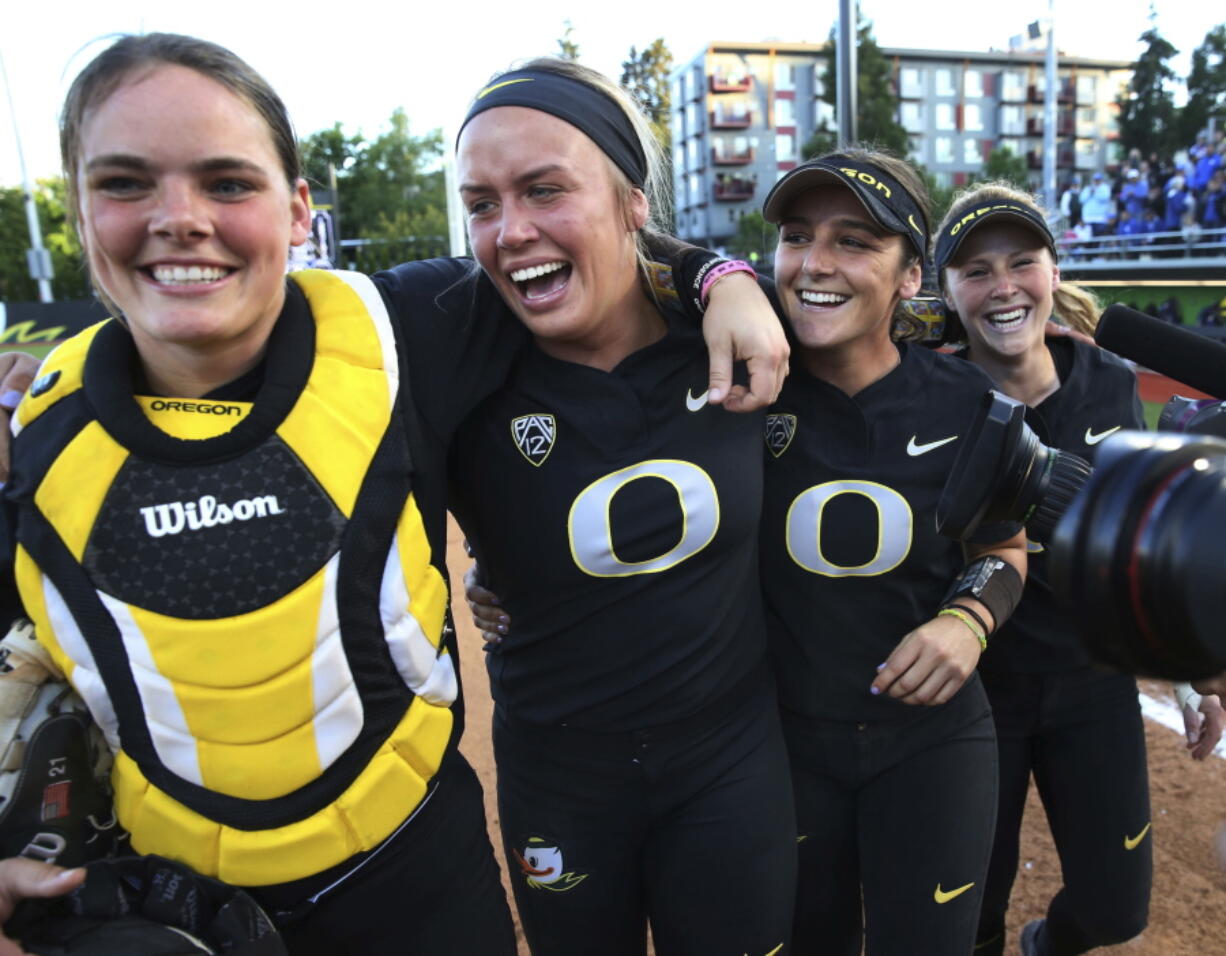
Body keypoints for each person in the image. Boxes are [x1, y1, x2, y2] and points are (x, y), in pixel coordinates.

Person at [1, 33, 786, 956]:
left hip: (434, 868)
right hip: (197, 895)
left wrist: (725, 274)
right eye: (125, 184)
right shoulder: (38, 431)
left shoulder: (408, 333)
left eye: (226, 183)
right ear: (77, 211)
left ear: (297, 210)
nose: (180, 218)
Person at [447, 59, 797, 956]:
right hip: (559, 773)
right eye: (482, 203)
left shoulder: (736, 334)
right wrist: (40, 379)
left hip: (729, 760)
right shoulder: (457, 346)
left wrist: (724, 275)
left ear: (633, 200)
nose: (511, 231)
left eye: (544, 190)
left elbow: (921, 329)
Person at [933, 182, 1225, 956]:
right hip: (974, 699)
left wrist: (1192, 674)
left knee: (1115, 911)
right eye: (975, 271)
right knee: (970, 917)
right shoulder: (932, 398)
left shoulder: (1110, 383)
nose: (1003, 286)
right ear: (946, 294)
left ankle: (1046, 945)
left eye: (1021, 262)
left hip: (1092, 685)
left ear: (1053, 273)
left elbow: (1147, 535)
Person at [757, 150, 1027, 956]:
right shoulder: (734, 386)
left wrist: (967, 622)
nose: (815, 264)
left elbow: (1006, 548)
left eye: (855, 241)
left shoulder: (973, 402)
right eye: (798, 237)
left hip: (931, 745)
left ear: (912, 277)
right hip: (779, 745)